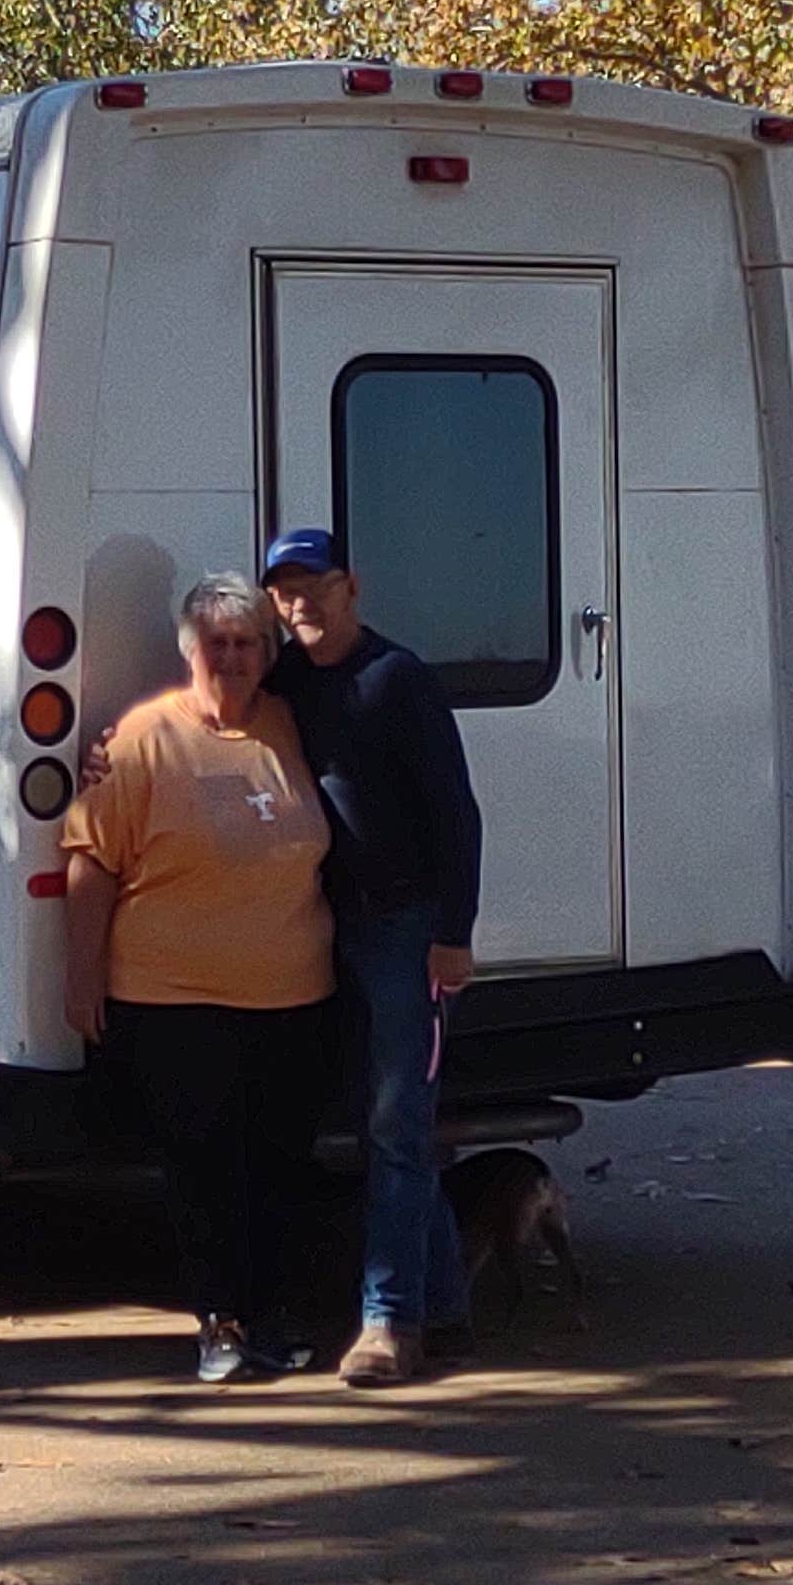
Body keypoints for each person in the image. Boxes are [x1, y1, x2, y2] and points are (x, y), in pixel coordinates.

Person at [59, 572, 335, 1385]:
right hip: (172, 998)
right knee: (202, 1168)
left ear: (267, 653)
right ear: (190, 654)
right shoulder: (142, 739)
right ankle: (219, 1322)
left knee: (280, 1168)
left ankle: (273, 1320)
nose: (233, 657)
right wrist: (82, 979)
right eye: (216, 644)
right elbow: (91, 861)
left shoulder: (293, 727)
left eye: (247, 642)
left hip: (293, 993)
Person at [259, 526, 483, 1388]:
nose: (299, 604)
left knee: (396, 1122)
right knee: (381, 1123)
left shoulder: (399, 680)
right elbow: (222, 709)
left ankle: (390, 1323)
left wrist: (453, 934)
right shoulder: (288, 680)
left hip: (409, 928)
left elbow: (457, 815)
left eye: (313, 586)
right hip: (331, 923)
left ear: (352, 586)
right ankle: (448, 1305)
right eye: (283, 592)